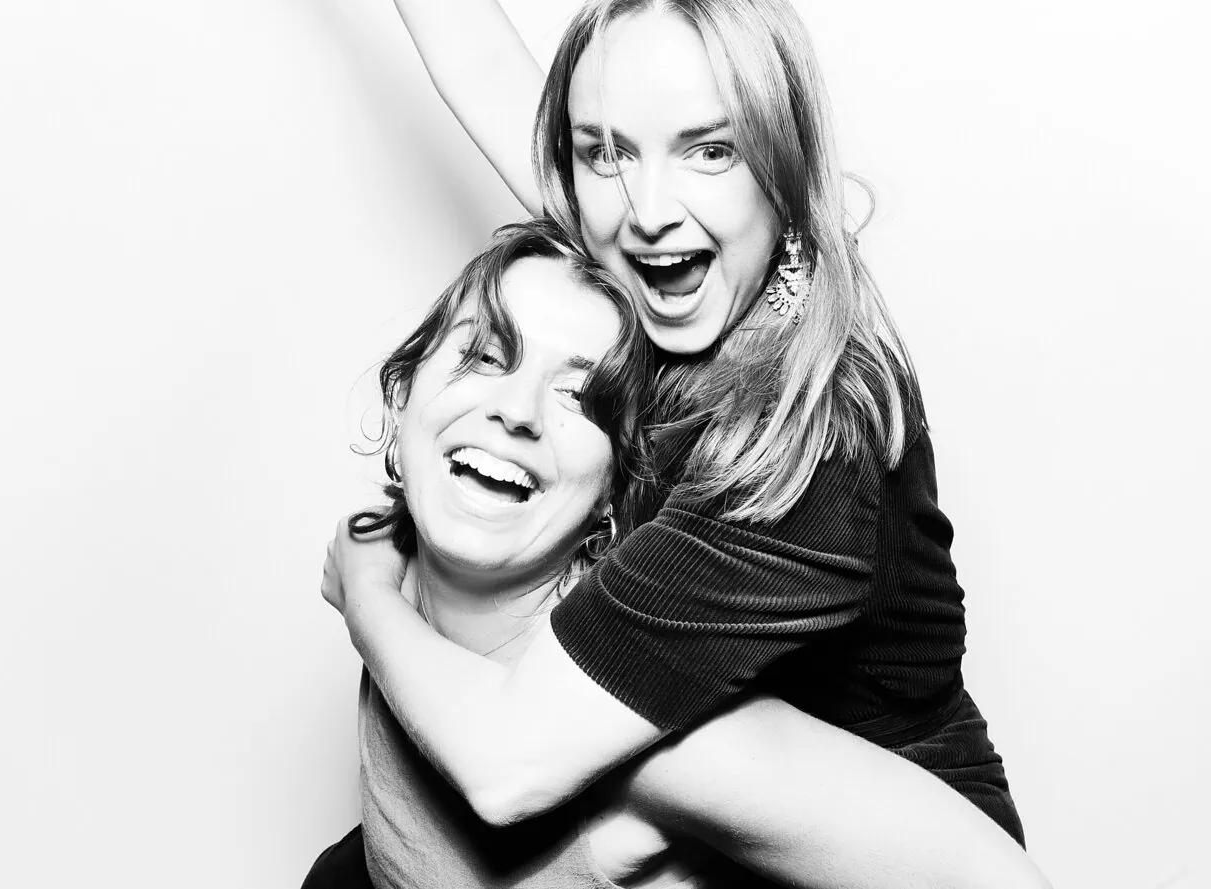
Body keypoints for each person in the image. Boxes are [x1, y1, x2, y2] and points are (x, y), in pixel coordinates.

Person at [325, 0, 1027, 856]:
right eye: (606, 151)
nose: (649, 210)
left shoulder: (807, 441)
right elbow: (477, 59)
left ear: (784, 165)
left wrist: (366, 590)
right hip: (692, 808)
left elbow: (508, 766)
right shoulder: (676, 269)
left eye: (711, 150)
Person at [308, 221, 1046, 889]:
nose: (516, 410)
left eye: (579, 396)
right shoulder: (393, 558)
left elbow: (988, 875)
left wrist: (363, 597)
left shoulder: (658, 737)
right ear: (401, 397)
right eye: (484, 357)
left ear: (612, 491)